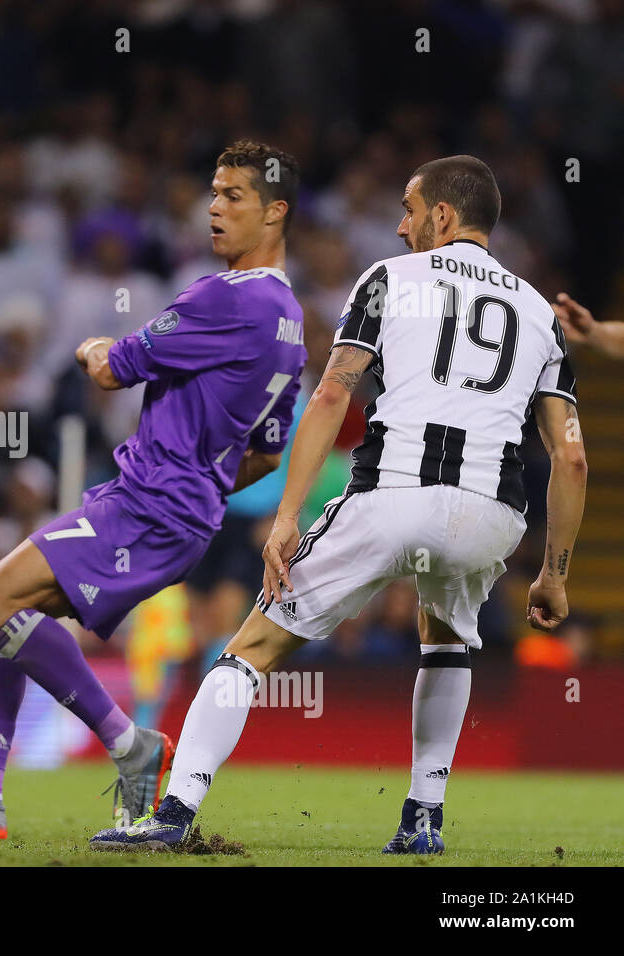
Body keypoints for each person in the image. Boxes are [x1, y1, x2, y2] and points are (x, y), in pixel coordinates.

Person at [92, 155, 585, 854]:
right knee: (445, 641)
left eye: (410, 209)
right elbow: (571, 457)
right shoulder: (540, 312)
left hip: (394, 495)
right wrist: (555, 572)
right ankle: (422, 822)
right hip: (491, 515)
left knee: (252, 646)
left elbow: (330, 395)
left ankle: (173, 814)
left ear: (443, 216)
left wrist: (287, 514)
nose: (399, 224)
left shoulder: (388, 278)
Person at [0, 141, 307, 838]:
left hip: (150, 504)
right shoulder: (292, 325)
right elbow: (265, 458)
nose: (214, 207)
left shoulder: (225, 298)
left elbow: (113, 369)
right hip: (178, 512)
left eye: (233, 195)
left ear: (275, 212)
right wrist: (201, 483)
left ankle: (128, 742)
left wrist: (87, 346)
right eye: (213, 192)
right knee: (4, 615)